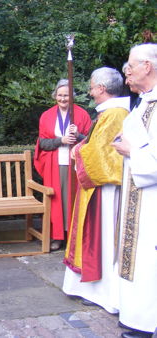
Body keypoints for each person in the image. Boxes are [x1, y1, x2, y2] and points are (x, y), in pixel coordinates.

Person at [62, 67, 129, 312]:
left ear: (101, 88)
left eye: (91, 86)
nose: (90, 91)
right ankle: (89, 288)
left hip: (105, 189)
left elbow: (104, 153)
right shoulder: (108, 113)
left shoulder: (116, 114)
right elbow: (96, 143)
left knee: (101, 239)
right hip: (97, 187)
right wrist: (82, 142)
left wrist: (78, 150)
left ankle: (102, 291)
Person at [112, 43, 157, 338]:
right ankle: (134, 315)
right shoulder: (143, 103)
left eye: (132, 64)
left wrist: (131, 150)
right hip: (136, 195)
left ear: (148, 67)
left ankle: (145, 320)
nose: (126, 70)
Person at [34, 79, 92, 251]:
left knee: (74, 200)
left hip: (75, 165)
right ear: (55, 96)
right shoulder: (47, 116)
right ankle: (57, 237)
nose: (63, 98)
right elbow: (42, 144)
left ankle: (75, 237)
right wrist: (61, 140)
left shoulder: (82, 115)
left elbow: (91, 140)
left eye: (66, 95)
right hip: (55, 165)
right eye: (60, 95)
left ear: (72, 97)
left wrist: (79, 135)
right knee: (57, 201)